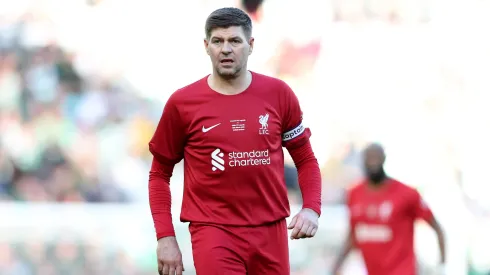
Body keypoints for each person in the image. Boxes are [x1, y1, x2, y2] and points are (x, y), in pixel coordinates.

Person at [148, 7, 322, 275]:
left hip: (271, 231)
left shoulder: (279, 94)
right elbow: (159, 174)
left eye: (235, 41)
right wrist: (165, 237)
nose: (225, 49)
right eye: (217, 41)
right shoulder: (183, 103)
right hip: (214, 232)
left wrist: (311, 208)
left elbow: (306, 159)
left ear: (250, 45)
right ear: (206, 46)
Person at [332, 143, 446, 275]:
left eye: (376, 157)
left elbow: (437, 228)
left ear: (384, 159)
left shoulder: (407, 194)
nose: (372, 162)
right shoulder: (354, 194)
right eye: (369, 158)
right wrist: (336, 267)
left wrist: (442, 265)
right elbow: (353, 236)